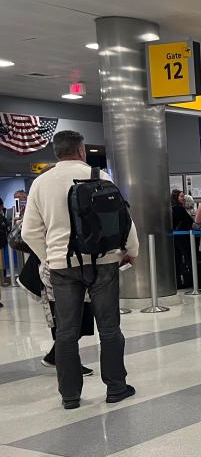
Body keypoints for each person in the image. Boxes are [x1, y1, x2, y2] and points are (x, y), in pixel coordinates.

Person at [19, 130, 138, 409]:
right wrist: (132, 251)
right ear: (82, 150)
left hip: (62, 266)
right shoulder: (101, 177)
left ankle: (70, 395)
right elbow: (125, 220)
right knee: (109, 328)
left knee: (66, 331)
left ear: (56, 152)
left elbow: (29, 232)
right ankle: (116, 388)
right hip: (104, 261)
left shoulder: (41, 182)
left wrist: (49, 257)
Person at [170, 190, 194, 289]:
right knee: (188, 258)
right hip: (183, 237)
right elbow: (189, 221)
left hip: (174, 237)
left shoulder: (170, 208)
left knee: (177, 260)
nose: (183, 198)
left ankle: (178, 282)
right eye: (181, 196)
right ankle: (191, 281)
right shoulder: (179, 209)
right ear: (176, 198)